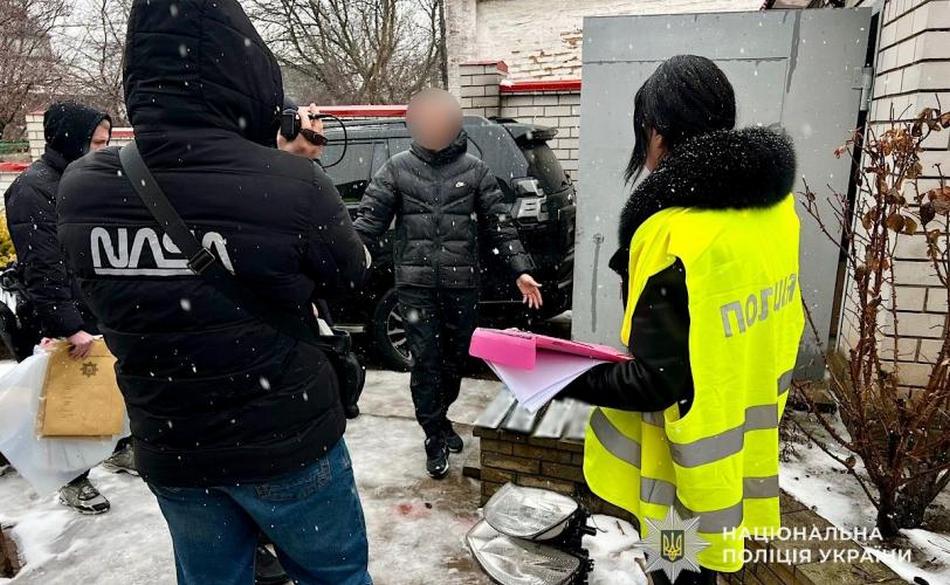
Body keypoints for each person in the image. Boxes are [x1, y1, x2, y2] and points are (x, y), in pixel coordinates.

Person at [56, 1, 372, 584]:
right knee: (334, 576)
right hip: (286, 439)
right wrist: (292, 174)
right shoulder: (294, 182)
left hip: (174, 444)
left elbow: (95, 293)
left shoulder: (82, 186)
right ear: (247, 77)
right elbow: (351, 281)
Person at [558, 55, 804, 583]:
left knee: (678, 569)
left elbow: (655, 380)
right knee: (701, 572)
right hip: (741, 441)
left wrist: (557, 376)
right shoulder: (774, 213)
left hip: (681, 467)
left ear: (656, 131)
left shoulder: (673, 233)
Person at [354, 89, 543, 479]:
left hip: (462, 284)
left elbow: (499, 225)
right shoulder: (396, 169)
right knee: (425, 360)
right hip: (415, 286)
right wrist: (347, 260)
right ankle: (433, 434)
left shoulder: (475, 170)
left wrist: (519, 269)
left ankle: (440, 419)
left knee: (457, 359)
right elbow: (367, 225)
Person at [3, 101, 136, 515]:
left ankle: (117, 448)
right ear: (70, 140)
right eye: (95, 142)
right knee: (65, 402)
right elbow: (42, 266)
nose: (103, 150)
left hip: (95, 304)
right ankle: (72, 480)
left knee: (106, 387)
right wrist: (68, 325)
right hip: (57, 313)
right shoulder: (33, 188)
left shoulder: (85, 178)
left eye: (106, 142)